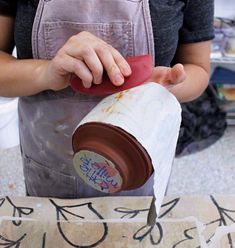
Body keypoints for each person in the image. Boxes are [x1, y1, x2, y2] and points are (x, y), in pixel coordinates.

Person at [0, 0, 214, 198]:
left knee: (135, 234)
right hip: (49, 162)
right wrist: (46, 73)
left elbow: (199, 68)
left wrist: (162, 86)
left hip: (140, 164)